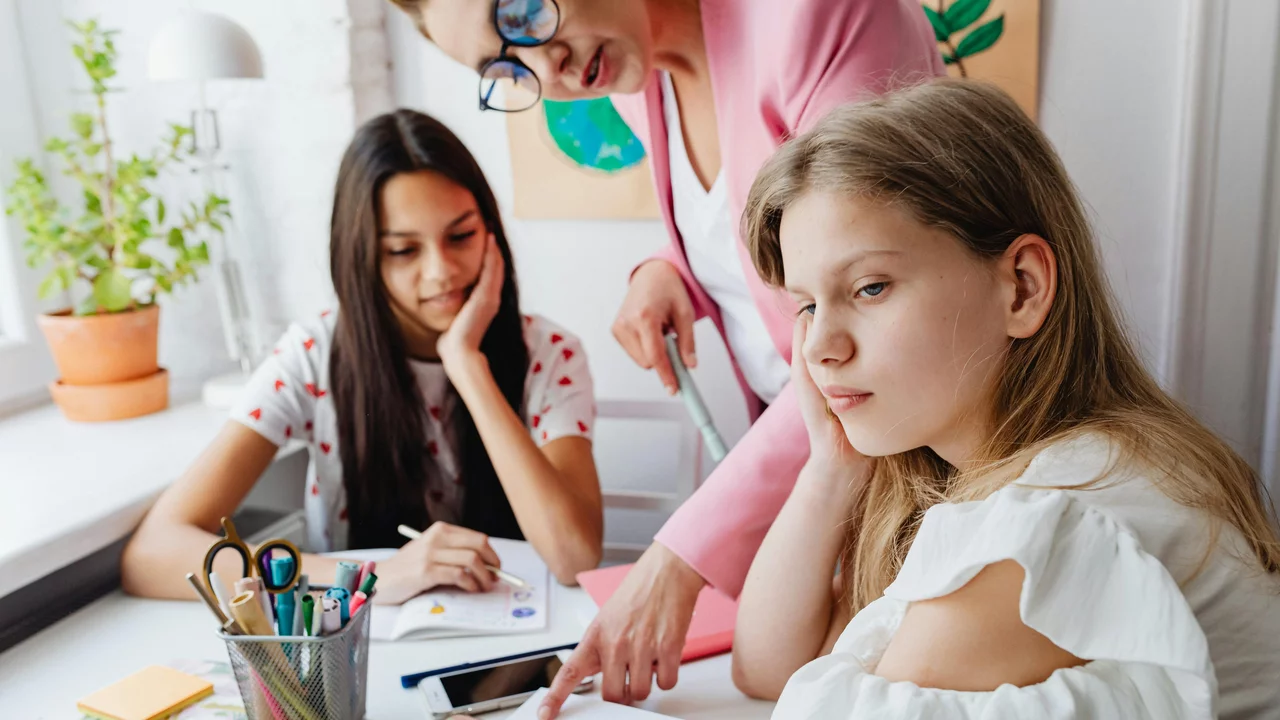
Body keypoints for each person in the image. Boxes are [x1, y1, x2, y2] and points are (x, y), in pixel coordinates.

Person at [386, 0, 944, 710]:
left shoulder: (819, 17)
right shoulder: (639, 82)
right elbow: (755, 230)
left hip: (924, 469)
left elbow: (866, 300)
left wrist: (678, 557)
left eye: (521, 11)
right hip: (830, 470)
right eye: (503, 64)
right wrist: (668, 269)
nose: (543, 68)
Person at [731, 79, 1280, 718]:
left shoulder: (1048, 525)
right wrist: (831, 465)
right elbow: (768, 665)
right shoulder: (1011, 478)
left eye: (870, 287)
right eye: (805, 304)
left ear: (1021, 288)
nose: (818, 346)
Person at [121, 109, 604, 605]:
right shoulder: (313, 357)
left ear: (491, 233)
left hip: (516, 655)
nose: (441, 272)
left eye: (460, 237)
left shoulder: (549, 353)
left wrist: (465, 365)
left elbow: (575, 556)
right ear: (362, 258)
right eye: (402, 251)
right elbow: (153, 553)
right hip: (363, 660)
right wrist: (371, 573)